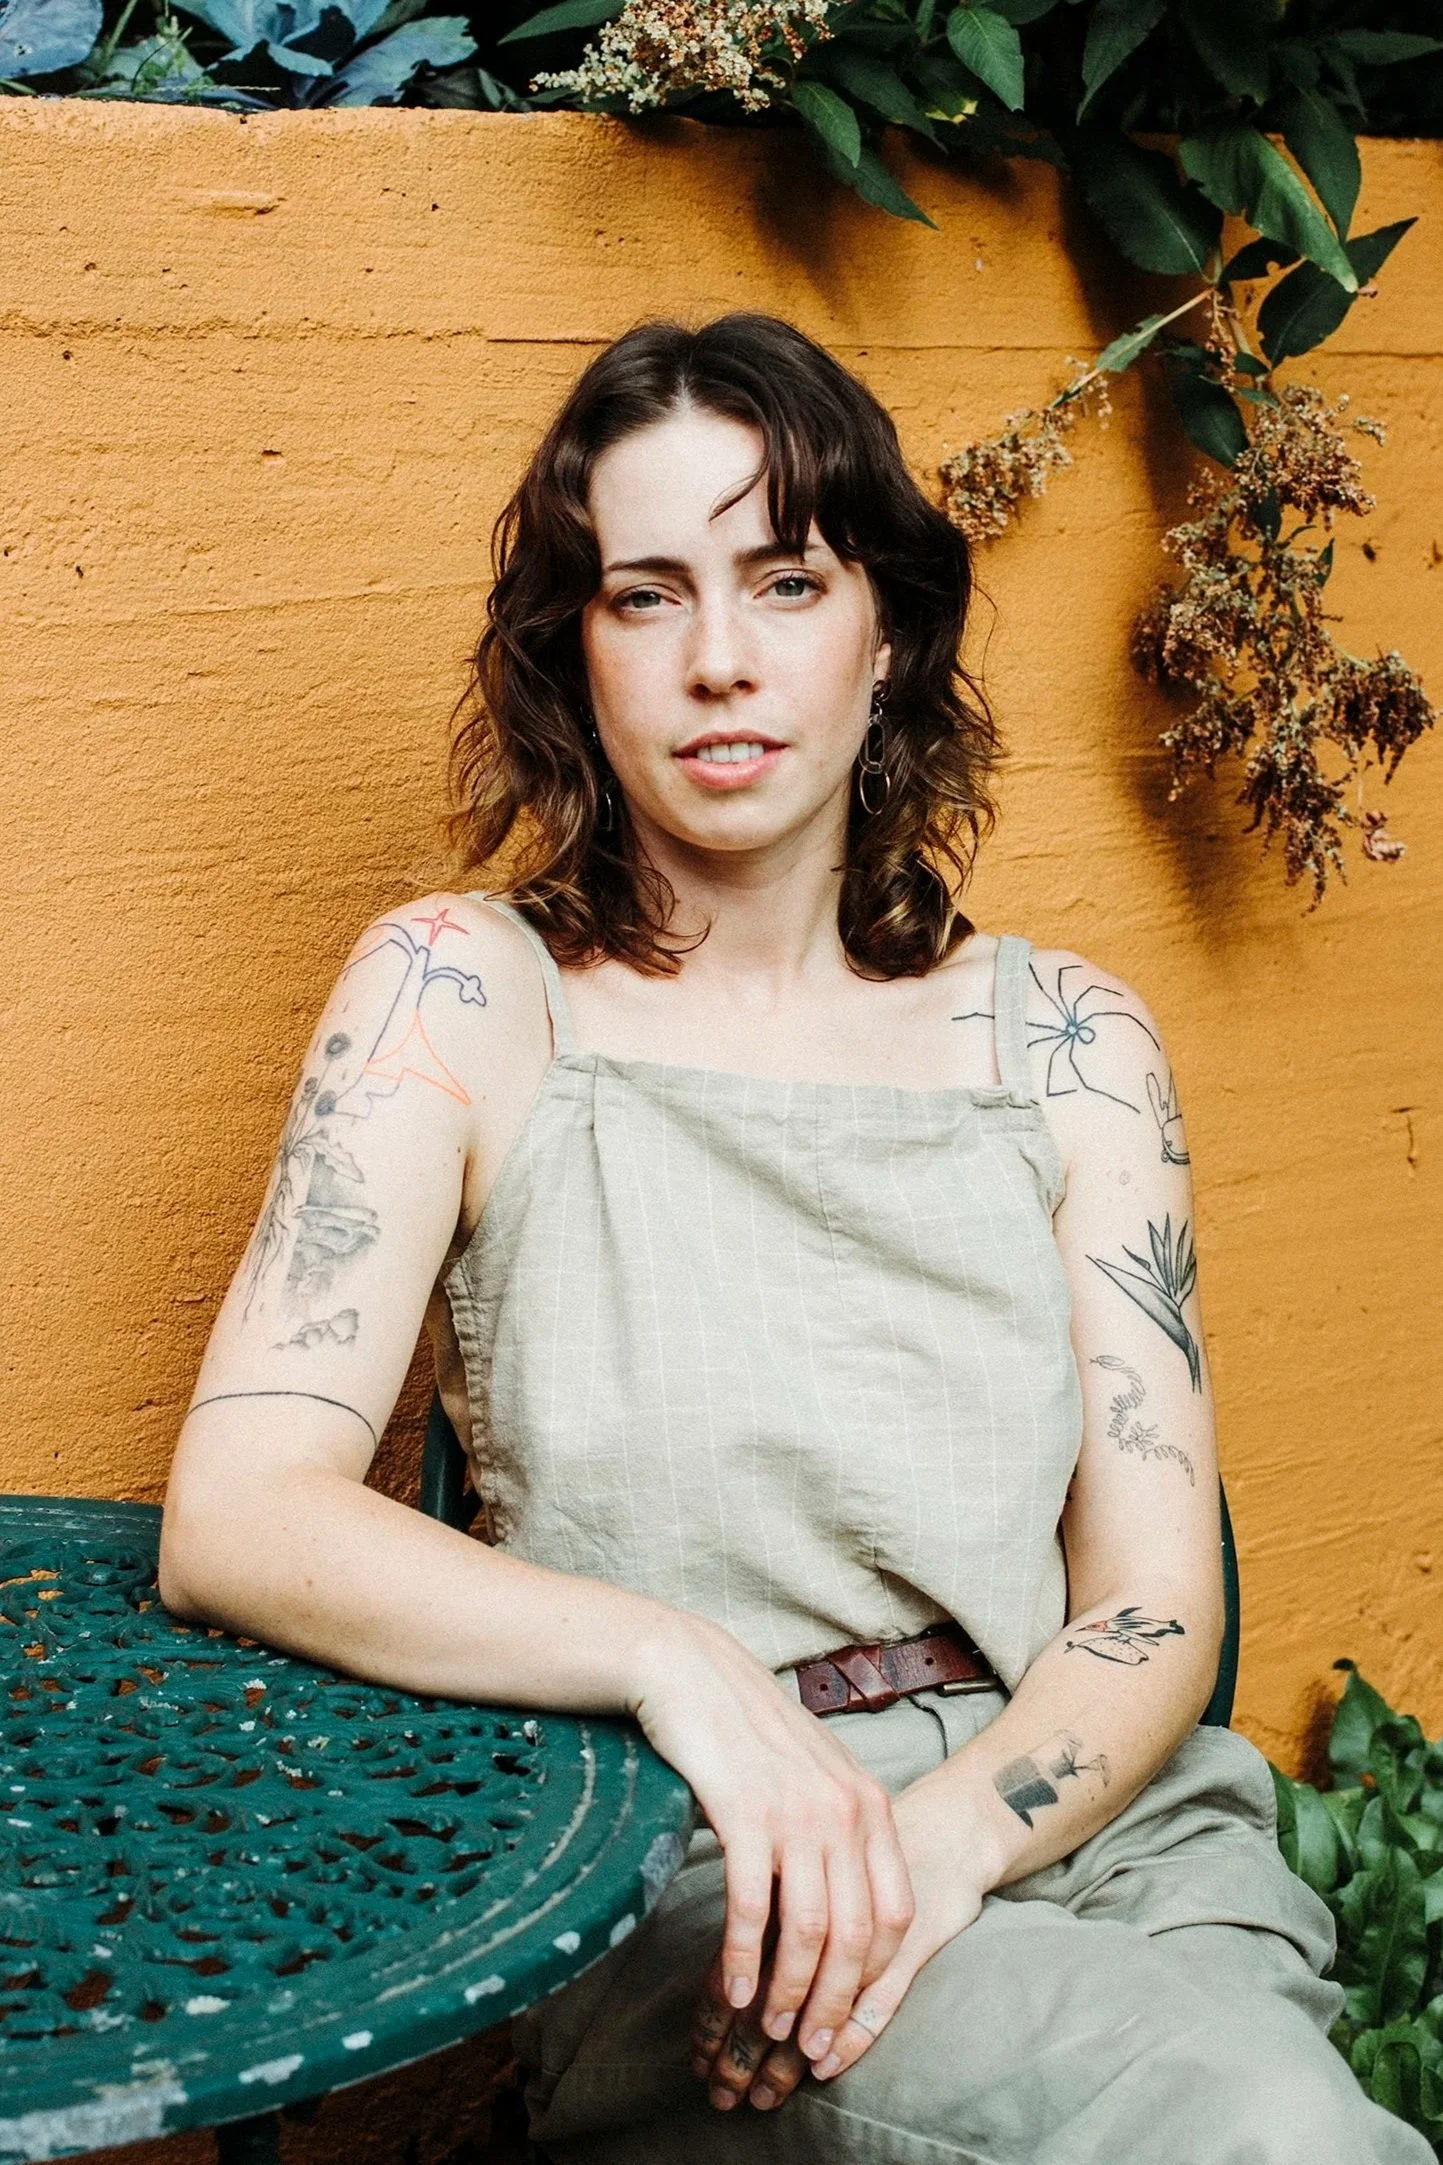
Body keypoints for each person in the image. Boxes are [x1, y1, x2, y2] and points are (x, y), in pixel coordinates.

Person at [160, 313, 1426, 2165]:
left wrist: (932, 1846)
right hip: (700, 1843)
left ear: (887, 629)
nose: (722, 663)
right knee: (1265, 2136)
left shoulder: (1064, 1044)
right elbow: (239, 1511)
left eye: (784, 579)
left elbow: (1151, 1596)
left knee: (1254, 2108)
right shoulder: (466, 996)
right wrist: (691, 1672)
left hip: (1087, 1821)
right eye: (645, 598)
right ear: (569, 656)